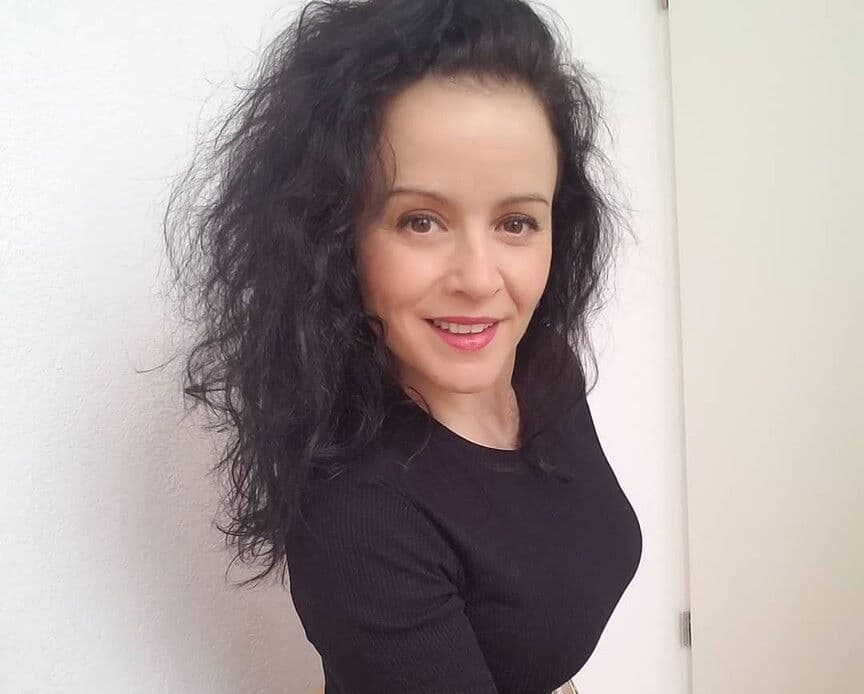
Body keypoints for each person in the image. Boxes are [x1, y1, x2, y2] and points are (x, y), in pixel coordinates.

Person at [163, 1, 642, 692]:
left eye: (515, 222)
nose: (479, 280)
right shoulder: (359, 517)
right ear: (335, 238)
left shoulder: (542, 366)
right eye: (421, 220)